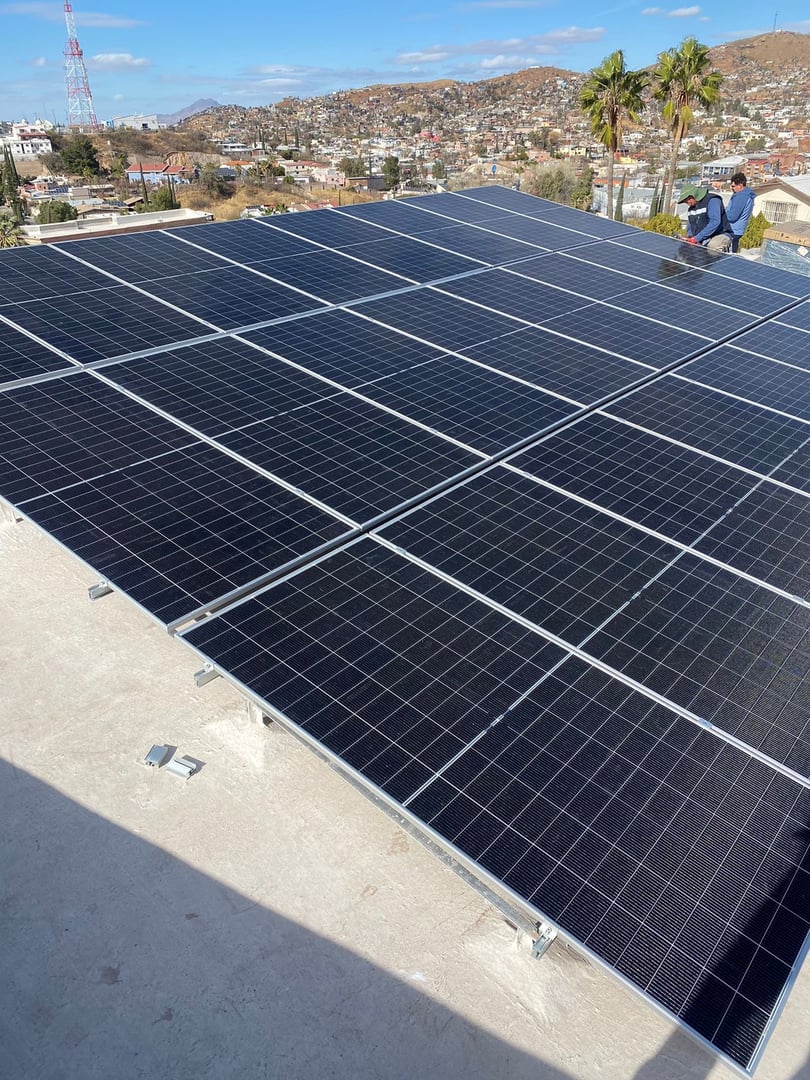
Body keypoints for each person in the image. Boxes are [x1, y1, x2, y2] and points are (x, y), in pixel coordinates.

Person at [677, 183, 733, 252]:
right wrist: (689, 237)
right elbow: (691, 226)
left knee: (713, 246)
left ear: (693, 195)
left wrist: (697, 238)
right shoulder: (691, 209)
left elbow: (715, 222)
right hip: (703, 238)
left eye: (687, 199)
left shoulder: (713, 200)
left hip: (721, 234)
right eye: (684, 201)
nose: (687, 202)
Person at [726, 172, 756, 252]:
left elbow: (732, 216)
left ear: (740, 185)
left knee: (727, 255)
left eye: (733, 186)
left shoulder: (741, 197)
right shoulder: (747, 195)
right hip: (738, 230)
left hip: (733, 230)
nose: (732, 188)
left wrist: (722, 213)